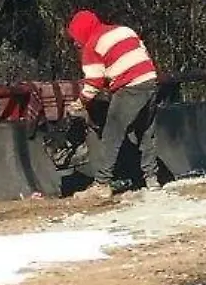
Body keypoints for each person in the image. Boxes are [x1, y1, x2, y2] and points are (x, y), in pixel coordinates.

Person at [67, 10, 161, 199]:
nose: (76, 43)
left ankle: (102, 183)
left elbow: (93, 82)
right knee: (146, 132)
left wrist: (80, 103)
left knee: (112, 134)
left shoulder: (92, 45)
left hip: (129, 86)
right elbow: (141, 51)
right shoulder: (123, 30)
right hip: (150, 80)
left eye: (75, 38)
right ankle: (152, 179)